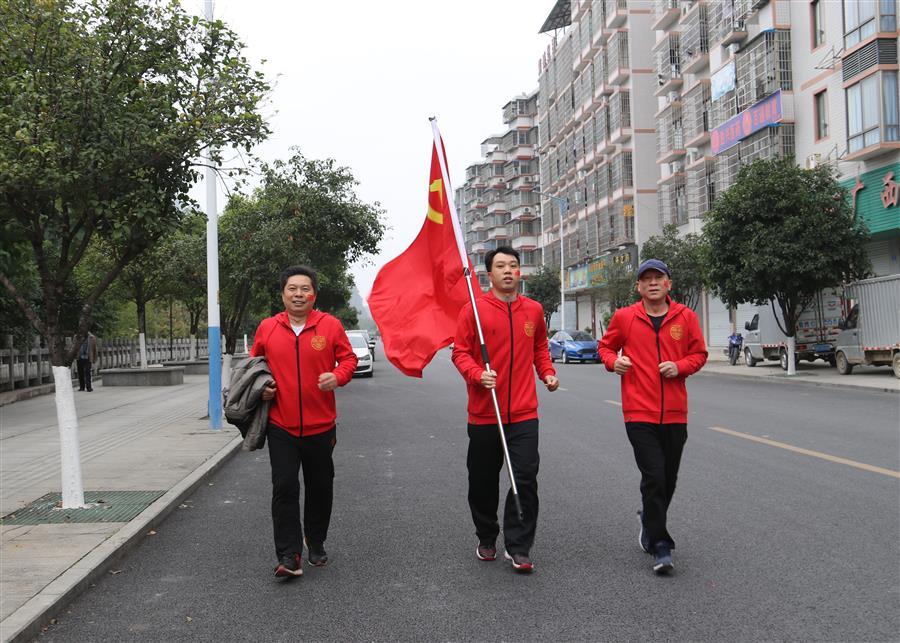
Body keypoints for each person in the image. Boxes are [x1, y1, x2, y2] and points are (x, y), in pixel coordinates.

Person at [451, 246, 559, 573]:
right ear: (490, 274)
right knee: (482, 482)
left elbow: (540, 348)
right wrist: (477, 375)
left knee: (524, 477)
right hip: (485, 413)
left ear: (519, 272)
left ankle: (519, 546)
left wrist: (547, 373)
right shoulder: (474, 310)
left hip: (524, 413)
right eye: (501, 266)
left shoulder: (534, 310)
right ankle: (486, 535)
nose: (508, 270)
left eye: (513, 265)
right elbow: (460, 353)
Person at [598, 259, 707, 574]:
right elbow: (605, 348)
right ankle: (661, 544)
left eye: (658, 277)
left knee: (668, 478)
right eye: (646, 279)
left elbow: (699, 354)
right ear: (639, 287)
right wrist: (614, 363)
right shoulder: (625, 317)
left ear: (669, 284)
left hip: (675, 413)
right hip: (638, 412)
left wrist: (679, 367)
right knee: (654, 476)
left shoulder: (685, 317)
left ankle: (648, 519)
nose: (653, 283)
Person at [250, 265, 358, 578]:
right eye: (292, 289)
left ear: (314, 294)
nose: (298, 294)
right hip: (280, 425)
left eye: (305, 289)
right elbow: (255, 366)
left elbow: (348, 359)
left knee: (320, 486)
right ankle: (289, 555)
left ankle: (316, 539)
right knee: (284, 487)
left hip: (321, 426)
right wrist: (262, 388)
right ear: (283, 294)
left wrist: (337, 376)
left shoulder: (330, 326)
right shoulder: (268, 328)